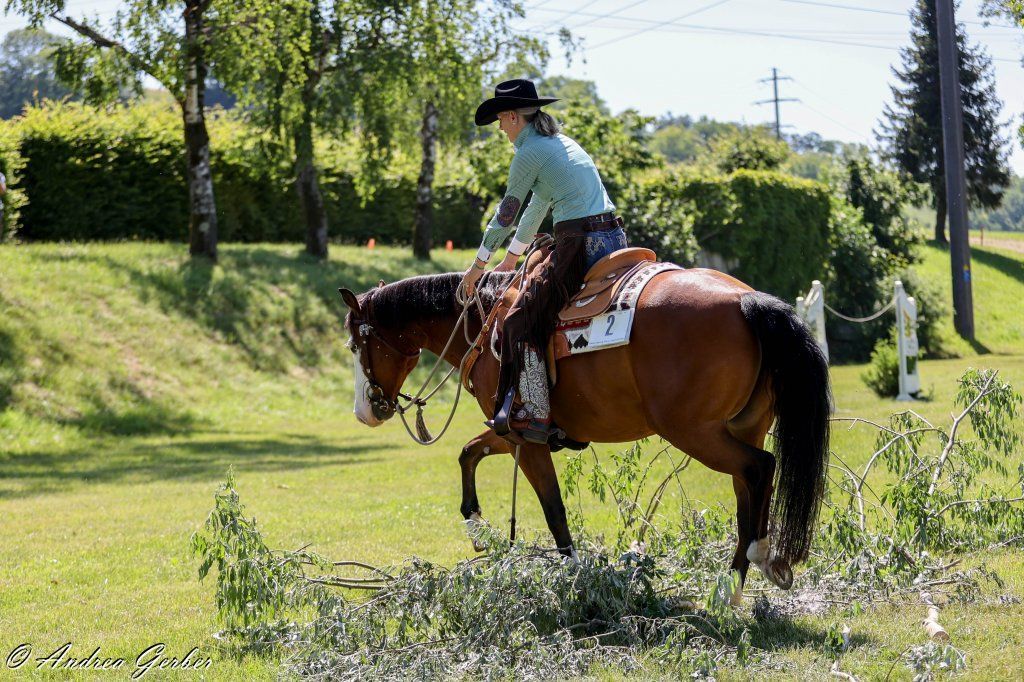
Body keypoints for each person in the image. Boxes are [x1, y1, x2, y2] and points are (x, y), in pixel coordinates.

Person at [461, 79, 627, 444]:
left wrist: (478, 266)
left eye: (500, 122)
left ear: (510, 116)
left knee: (520, 320)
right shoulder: (559, 144)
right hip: (613, 236)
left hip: (580, 243)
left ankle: (537, 413)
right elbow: (538, 206)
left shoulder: (528, 153)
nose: (500, 129)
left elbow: (508, 213)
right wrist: (511, 259)